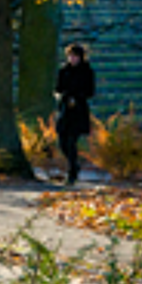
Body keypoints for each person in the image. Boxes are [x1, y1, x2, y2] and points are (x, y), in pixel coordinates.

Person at [55, 43, 96, 185]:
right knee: (62, 141)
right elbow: (58, 88)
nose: (72, 59)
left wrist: (77, 97)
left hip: (78, 110)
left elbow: (90, 91)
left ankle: (72, 173)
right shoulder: (63, 70)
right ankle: (75, 165)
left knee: (72, 141)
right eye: (70, 56)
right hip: (65, 109)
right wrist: (64, 97)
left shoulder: (87, 72)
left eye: (75, 56)